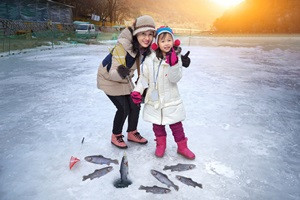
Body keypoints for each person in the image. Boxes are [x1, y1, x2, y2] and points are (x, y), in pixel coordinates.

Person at [131, 26, 195, 159]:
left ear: (173, 41)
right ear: (157, 43)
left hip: (171, 99)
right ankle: (161, 145)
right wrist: (138, 91)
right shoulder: (149, 59)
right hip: (154, 99)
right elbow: (144, 78)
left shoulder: (175, 58)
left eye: (169, 40)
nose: (166, 43)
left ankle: (182, 147)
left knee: (176, 125)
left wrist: (173, 64)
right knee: (157, 125)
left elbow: (175, 79)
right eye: (163, 41)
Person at [97, 15, 156, 149]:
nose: (147, 38)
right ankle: (116, 135)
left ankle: (132, 132)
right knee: (123, 108)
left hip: (125, 79)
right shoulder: (122, 47)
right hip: (108, 79)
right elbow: (112, 72)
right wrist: (121, 72)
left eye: (150, 34)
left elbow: (159, 58)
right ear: (136, 33)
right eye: (143, 34)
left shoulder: (143, 48)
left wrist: (176, 58)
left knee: (135, 104)